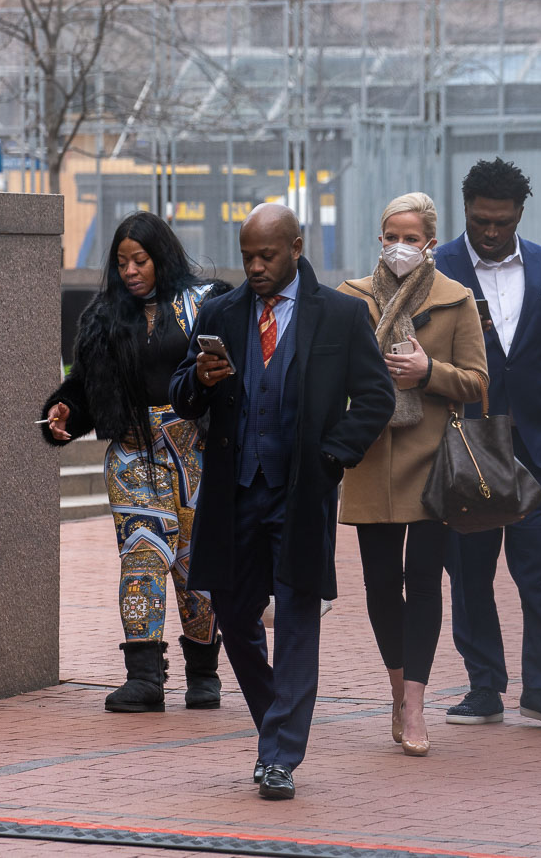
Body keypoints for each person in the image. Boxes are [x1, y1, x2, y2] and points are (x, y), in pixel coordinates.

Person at [171, 203, 395, 799]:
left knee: (297, 616)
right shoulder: (221, 312)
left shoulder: (342, 316)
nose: (255, 267)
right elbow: (180, 393)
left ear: (296, 247)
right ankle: (279, 717)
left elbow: (375, 399)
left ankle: (279, 756)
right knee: (234, 614)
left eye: (266, 255)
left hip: (301, 494)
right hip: (235, 490)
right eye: (246, 256)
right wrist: (201, 379)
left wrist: (331, 459)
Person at [434, 158, 541, 729]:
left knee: (540, 569)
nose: (490, 232)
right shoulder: (438, 268)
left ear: (519, 216)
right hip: (466, 446)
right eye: (482, 221)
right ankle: (484, 686)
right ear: (466, 211)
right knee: (469, 571)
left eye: (502, 223)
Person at [42, 212, 229, 713]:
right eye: (122, 261)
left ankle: (203, 673)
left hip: (195, 450)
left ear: (161, 257)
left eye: (140, 260)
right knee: (142, 555)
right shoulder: (103, 317)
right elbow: (86, 388)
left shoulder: (205, 304)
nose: (130, 270)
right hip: (132, 452)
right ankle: (145, 677)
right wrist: (63, 410)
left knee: (196, 564)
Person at [337, 192, 488, 757]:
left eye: (412, 236)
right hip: (370, 459)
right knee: (380, 585)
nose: (400, 246)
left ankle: (418, 704)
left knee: (425, 581)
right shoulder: (351, 299)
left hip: (434, 461)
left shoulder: (456, 300)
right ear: (380, 239)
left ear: (430, 241)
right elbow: (331, 375)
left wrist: (429, 372)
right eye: (391, 236)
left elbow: (478, 382)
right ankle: (398, 691)